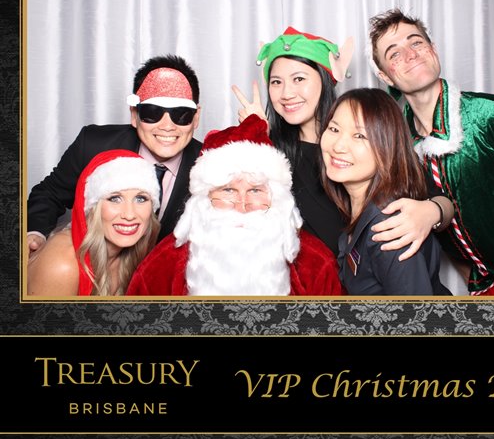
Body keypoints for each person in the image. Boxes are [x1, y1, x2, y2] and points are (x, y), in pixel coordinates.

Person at [232, 27, 453, 259]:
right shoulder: (271, 150)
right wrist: (255, 137)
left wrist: (431, 212)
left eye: (299, 79)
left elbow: (442, 201)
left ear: (325, 80)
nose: (286, 93)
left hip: (381, 274)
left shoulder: (369, 135)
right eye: (276, 82)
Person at [368, 8, 494, 295]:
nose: (411, 54)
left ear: (433, 49)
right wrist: (474, 283)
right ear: (385, 76)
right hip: (486, 290)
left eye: (416, 42)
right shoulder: (398, 148)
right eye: (394, 53)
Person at [127, 115, 343, 296]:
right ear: (205, 196)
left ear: (277, 197)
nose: (242, 206)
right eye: (228, 190)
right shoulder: (163, 264)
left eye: (255, 191)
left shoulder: (317, 263)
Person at [27, 55, 203, 255]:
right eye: (152, 112)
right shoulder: (93, 145)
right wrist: (35, 234)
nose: (167, 126)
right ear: (134, 115)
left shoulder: (210, 164)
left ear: (196, 117)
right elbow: (50, 194)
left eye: (181, 114)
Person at [320, 88, 451, 295]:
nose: (338, 146)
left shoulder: (390, 229)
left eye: (359, 135)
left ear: (387, 146)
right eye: (334, 129)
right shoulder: (361, 208)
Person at [27, 150, 161, 296]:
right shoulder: (62, 265)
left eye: (141, 199)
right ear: (92, 208)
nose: (129, 215)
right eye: (114, 198)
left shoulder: (141, 253)